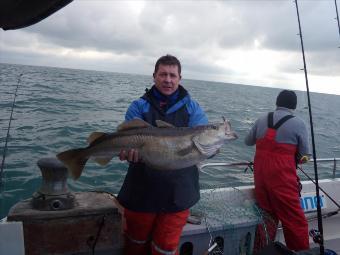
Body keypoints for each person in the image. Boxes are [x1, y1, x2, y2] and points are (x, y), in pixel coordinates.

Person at [117, 54, 208, 255]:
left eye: (172, 75)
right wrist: (128, 153)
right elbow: (127, 139)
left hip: (179, 192)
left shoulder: (193, 108)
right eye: (163, 74)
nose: (168, 79)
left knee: (165, 247)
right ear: (154, 77)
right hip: (141, 188)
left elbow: (203, 147)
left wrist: (211, 149)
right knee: (135, 242)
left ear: (179, 78)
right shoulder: (138, 106)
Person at [244, 90, 310, 252]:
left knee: (266, 218)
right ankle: (300, 252)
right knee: (295, 221)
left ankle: (264, 251)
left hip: (261, 178)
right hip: (283, 180)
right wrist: (300, 159)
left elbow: (247, 141)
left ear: (277, 102)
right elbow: (305, 155)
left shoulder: (261, 119)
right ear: (294, 105)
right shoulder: (299, 123)